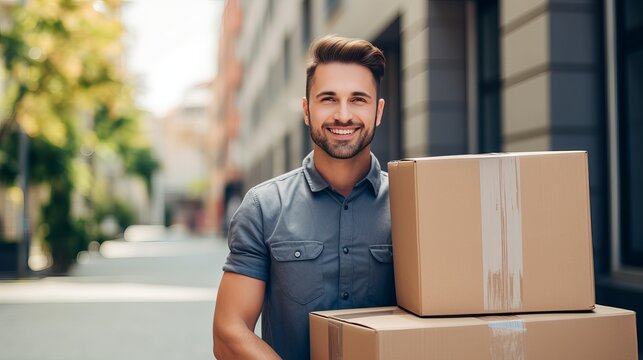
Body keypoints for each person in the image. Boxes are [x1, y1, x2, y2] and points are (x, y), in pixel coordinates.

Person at [213, 35, 396, 360]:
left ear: (378, 111)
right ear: (306, 110)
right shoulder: (263, 207)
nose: (343, 115)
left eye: (358, 99)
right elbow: (229, 332)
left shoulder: (411, 205)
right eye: (328, 99)